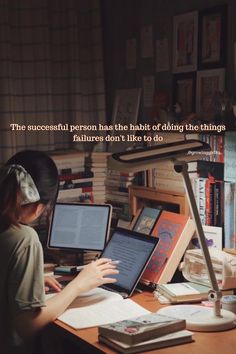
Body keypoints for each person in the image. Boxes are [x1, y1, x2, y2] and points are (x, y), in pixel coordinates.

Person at [0, 150, 119, 354]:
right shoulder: (24, 238)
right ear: (39, 207)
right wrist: (78, 285)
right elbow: (27, 326)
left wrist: (33, 279)